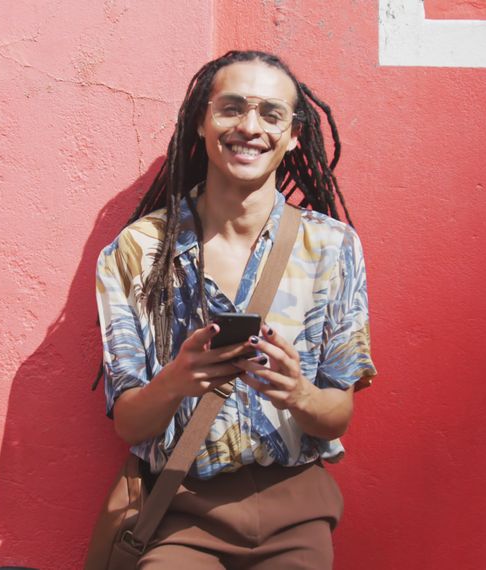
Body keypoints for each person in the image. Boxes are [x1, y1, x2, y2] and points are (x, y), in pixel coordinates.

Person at [94, 50, 377, 568]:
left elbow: (338, 415)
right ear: (201, 121)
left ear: (294, 134)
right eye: (231, 109)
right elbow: (129, 425)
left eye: (271, 114)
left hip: (297, 511)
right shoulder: (137, 251)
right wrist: (178, 379)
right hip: (180, 515)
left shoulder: (332, 247)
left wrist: (298, 393)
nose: (250, 127)